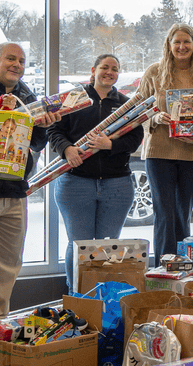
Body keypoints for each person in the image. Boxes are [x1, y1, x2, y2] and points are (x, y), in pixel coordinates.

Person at [51, 53, 144, 291]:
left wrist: (110, 145)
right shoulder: (74, 98)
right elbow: (54, 131)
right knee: (78, 244)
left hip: (116, 186)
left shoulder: (125, 105)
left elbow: (135, 139)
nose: (109, 72)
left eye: (114, 68)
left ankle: (100, 298)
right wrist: (66, 149)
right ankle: (76, 297)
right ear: (93, 70)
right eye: (105, 67)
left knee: (107, 246)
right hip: (75, 183)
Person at [0, 42, 51, 335]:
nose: (16, 65)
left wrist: (43, 128)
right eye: (10, 58)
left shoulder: (27, 95)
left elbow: (37, 140)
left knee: (8, 259)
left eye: (21, 61)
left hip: (16, 189)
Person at [136, 23, 193, 264]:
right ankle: (163, 266)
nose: (181, 47)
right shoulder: (154, 72)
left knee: (182, 213)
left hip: (191, 154)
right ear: (169, 45)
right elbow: (139, 110)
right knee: (164, 213)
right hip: (159, 152)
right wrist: (155, 116)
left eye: (187, 42)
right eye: (177, 42)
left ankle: (184, 266)